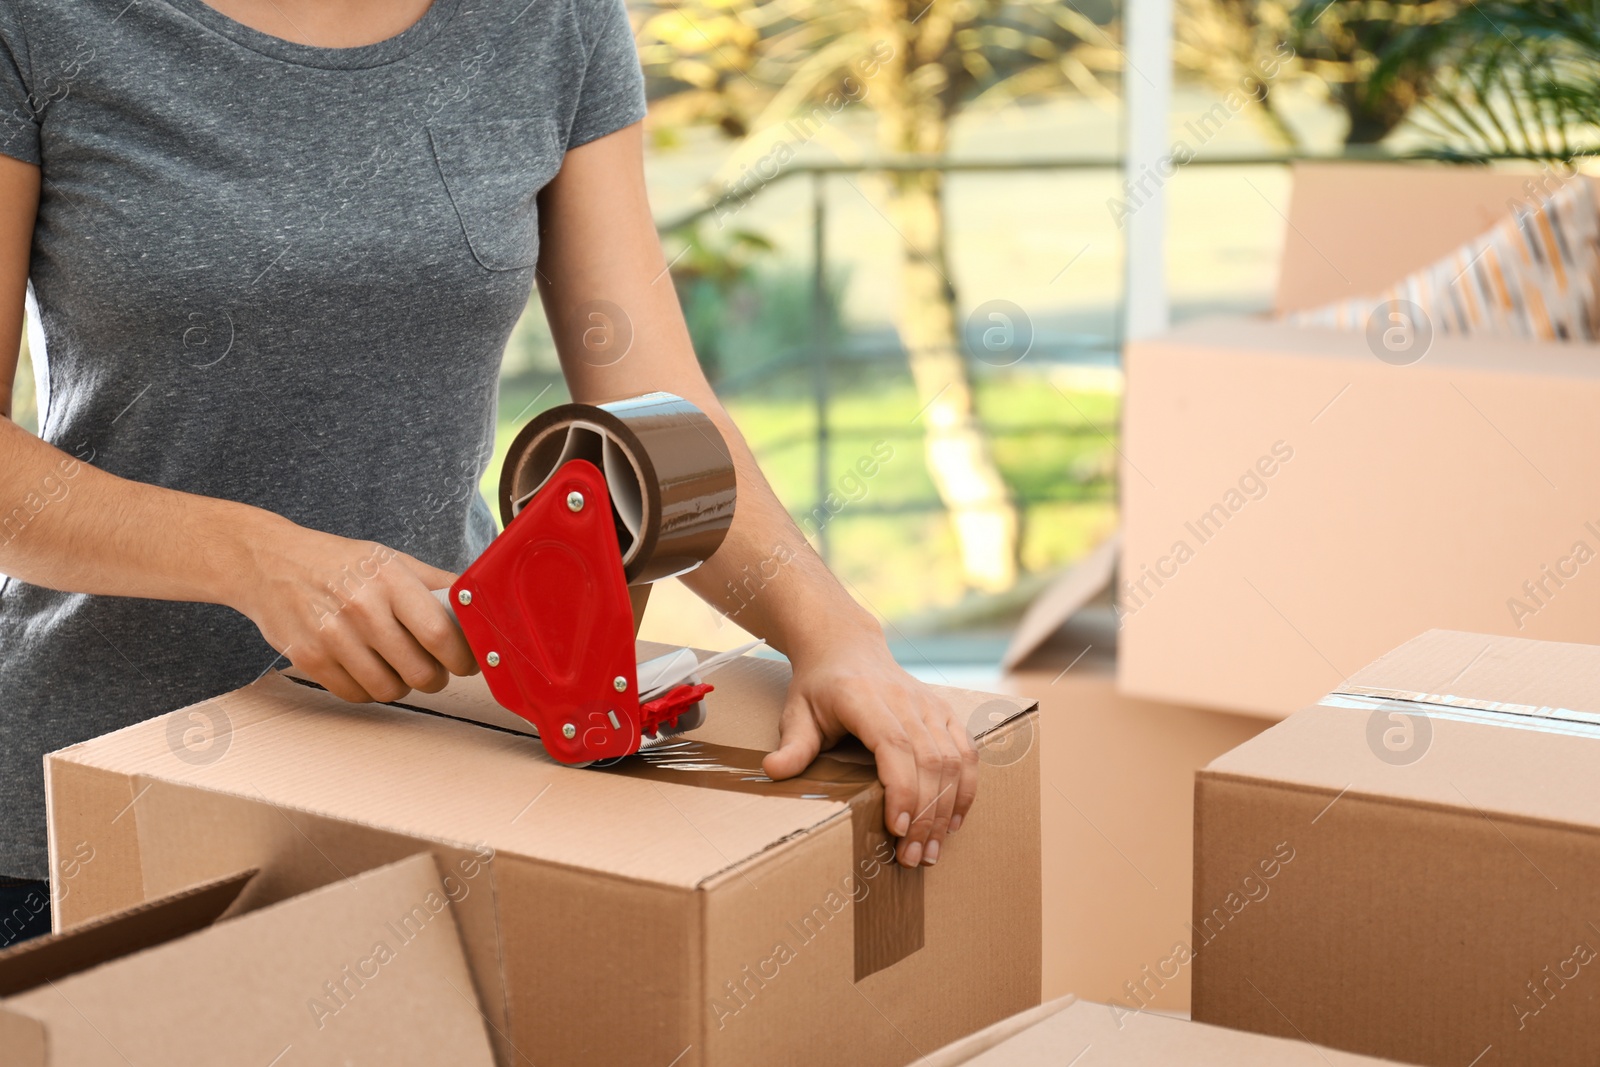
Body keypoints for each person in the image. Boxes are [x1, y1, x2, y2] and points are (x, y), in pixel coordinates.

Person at [0, 0, 979, 936]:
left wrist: (834, 630)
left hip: (428, 764)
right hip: (92, 804)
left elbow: (656, 411)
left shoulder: (546, 19)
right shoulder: (40, 23)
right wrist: (251, 556)